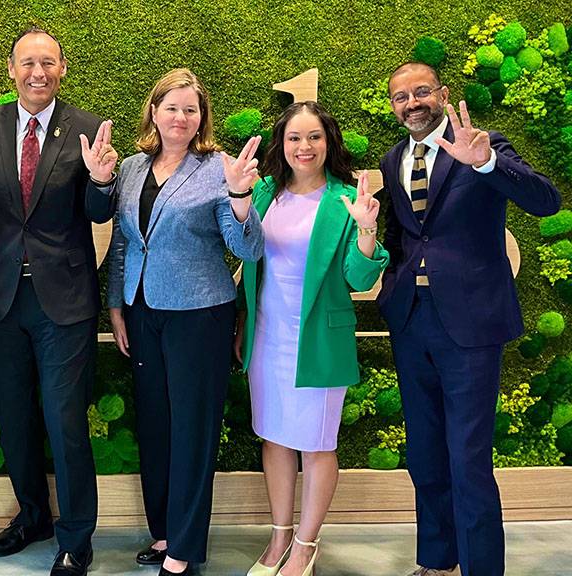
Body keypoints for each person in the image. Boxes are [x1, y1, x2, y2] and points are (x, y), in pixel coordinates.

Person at [378, 62, 562, 576]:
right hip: (413, 323)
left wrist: (485, 165)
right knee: (425, 454)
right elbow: (403, 237)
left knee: (468, 458)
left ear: (442, 94)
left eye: (421, 92)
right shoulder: (395, 159)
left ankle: (482, 568)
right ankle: (438, 561)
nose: (412, 102)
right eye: (400, 97)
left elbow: (546, 200)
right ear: (393, 107)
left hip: (472, 326)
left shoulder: (483, 142)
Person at [85, 68, 264, 576]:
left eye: (191, 108)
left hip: (199, 317)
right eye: (172, 107)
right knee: (157, 426)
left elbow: (247, 248)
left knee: (191, 431)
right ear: (155, 112)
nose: (181, 117)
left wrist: (239, 198)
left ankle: (184, 549)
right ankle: (163, 534)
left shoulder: (219, 169)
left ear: (202, 116)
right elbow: (123, 241)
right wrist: (117, 306)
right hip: (143, 313)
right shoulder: (135, 167)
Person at [0, 26, 109, 576]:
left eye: (48, 63)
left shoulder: (87, 129)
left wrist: (102, 182)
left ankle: (75, 537)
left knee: (65, 419)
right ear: (11, 70)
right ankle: (32, 517)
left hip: (64, 301)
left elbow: (96, 213)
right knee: (14, 415)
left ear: (62, 68)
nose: (38, 72)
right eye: (28, 63)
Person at [235, 101, 389, 576]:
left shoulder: (345, 200)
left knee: (316, 443)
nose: (305, 147)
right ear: (282, 145)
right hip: (266, 337)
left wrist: (366, 229)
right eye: (295, 138)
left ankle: (306, 543)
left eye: (315, 137)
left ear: (329, 143)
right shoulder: (264, 194)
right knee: (274, 438)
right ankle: (280, 534)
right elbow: (244, 258)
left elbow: (358, 278)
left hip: (318, 340)